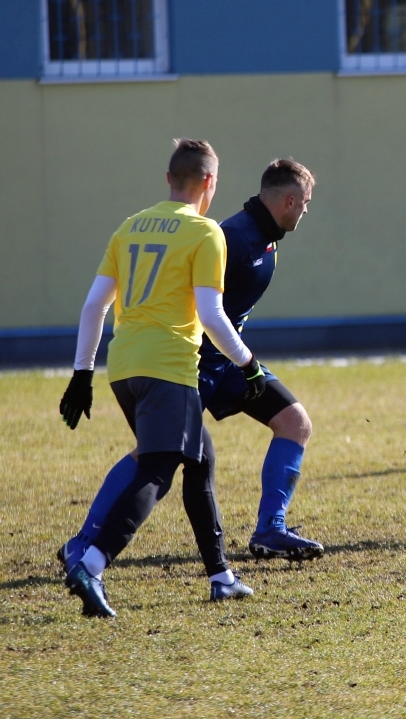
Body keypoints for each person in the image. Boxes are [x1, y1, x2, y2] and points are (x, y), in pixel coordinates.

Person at [58, 160, 323, 569]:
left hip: (230, 362)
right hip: (192, 362)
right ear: (288, 200)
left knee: (295, 422)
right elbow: (199, 305)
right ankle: (84, 542)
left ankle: (270, 528)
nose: (306, 211)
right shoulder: (230, 237)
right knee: (154, 456)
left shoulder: (267, 237)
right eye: (304, 203)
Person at [57, 139, 265, 618]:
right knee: (158, 469)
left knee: (201, 459)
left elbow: (94, 306)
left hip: (124, 367)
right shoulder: (205, 231)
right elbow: (212, 314)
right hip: (167, 367)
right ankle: (89, 560)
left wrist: (81, 374)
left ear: (168, 178)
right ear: (209, 182)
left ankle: (221, 576)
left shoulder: (130, 227)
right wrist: (248, 363)